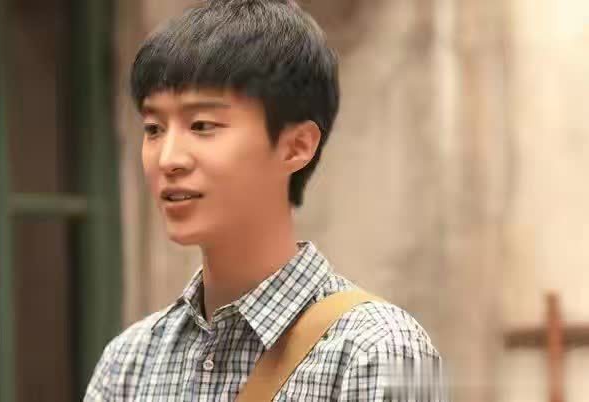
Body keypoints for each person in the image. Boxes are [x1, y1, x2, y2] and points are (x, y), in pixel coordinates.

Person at [85, 0, 447, 400]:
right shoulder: (129, 361)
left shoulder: (383, 351)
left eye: (202, 125)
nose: (168, 159)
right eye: (154, 129)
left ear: (296, 146)